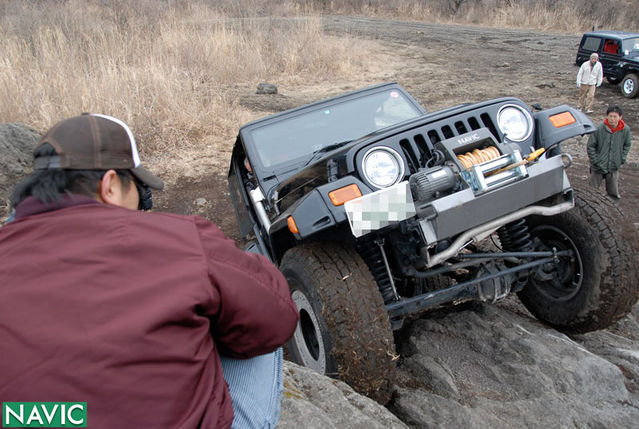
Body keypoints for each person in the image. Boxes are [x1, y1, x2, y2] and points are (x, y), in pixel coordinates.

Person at [0, 113, 299, 428]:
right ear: (111, 185)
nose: (144, 207)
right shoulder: (179, 238)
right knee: (256, 289)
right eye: (140, 194)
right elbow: (275, 319)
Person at [587, 105, 632, 199]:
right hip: (598, 166)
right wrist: (595, 160)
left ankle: (613, 211)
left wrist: (622, 158)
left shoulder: (625, 130)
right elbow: (590, 146)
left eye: (615, 117)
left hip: (614, 165)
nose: (612, 119)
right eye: (610, 116)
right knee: (591, 192)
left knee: (613, 193)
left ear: (620, 117)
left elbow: (627, 145)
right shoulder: (599, 128)